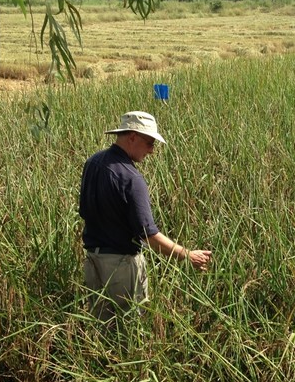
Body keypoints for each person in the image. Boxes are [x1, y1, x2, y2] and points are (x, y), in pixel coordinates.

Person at [79, 110, 212, 323]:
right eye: (150, 143)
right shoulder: (131, 178)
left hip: (93, 263)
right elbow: (148, 235)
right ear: (132, 137)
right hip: (121, 267)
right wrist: (186, 255)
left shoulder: (92, 163)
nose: (151, 151)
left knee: (101, 328)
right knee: (127, 330)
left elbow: (85, 212)